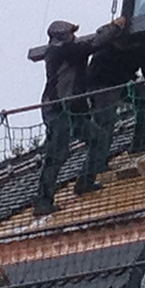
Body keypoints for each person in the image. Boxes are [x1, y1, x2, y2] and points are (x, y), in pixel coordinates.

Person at [33, 18, 125, 217]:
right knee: (57, 152)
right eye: (71, 33)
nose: (74, 37)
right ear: (63, 36)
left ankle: (85, 181)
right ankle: (43, 201)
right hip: (59, 109)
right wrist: (115, 27)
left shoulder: (64, 50)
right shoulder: (62, 50)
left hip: (73, 107)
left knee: (98, 138)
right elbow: (93, 44)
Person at [86, 16, 145, 157]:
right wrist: (114, 28)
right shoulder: (116, 31)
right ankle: (99, 162)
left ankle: (138, 145)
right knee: (106, 119)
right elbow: (99, 39)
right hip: (102, 82)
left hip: (124, 81)